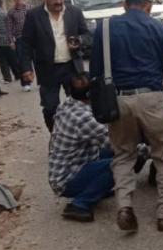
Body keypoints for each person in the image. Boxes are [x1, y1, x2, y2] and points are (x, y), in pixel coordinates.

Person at [90, 0, 163, 233]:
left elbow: (95, 72)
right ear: (148, 6)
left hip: (118, 101)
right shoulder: (158, 28)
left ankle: (125, 206)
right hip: (152, 100)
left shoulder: (104, 29)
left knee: (123, 155)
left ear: (124, 4)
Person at [20, 0, 90, 132]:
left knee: (80, 105)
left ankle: (79, 137)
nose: (59, 2)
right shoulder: (34, 15)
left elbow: (87, 35)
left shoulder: (74, 12)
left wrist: (79, 40)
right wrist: (26, 68)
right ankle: (57, 136)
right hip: (48, 70)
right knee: (50, 107)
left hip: (72, 67)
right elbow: (25, 43)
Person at [48, 73, 114, 222]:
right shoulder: (83, 118)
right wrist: (146, 150)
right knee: (119, 164)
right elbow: (116, 143)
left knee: (107, 153)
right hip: (66, 181)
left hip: (66, 170)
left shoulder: (68, 104)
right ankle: (79, 204)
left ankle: (97, 188)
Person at [7, 0, 32, 92]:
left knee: (37, 59)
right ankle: (25, 83)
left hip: (32, 38)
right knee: (22, 61)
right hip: (19, 39)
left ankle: (41, 80)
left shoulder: (30, 9)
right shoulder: (11, 12)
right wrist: (11, 41)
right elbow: (8, 28)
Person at [0, 0, 21, 84]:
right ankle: (18, 74)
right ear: (1, 5)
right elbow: (11, 26)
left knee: (2, 61)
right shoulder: (6, 14)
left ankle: (7, 78)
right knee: (13, 59)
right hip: (8, 40)